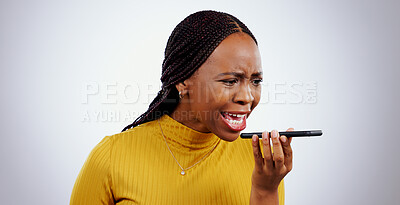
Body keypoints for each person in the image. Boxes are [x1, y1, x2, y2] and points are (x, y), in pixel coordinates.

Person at [70, 10, 293, 205]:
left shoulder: (264, 167)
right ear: (183, 81)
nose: (247, 97)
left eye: (256, 81)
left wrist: (265, 191)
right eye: (230, 81)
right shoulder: (111, 157)